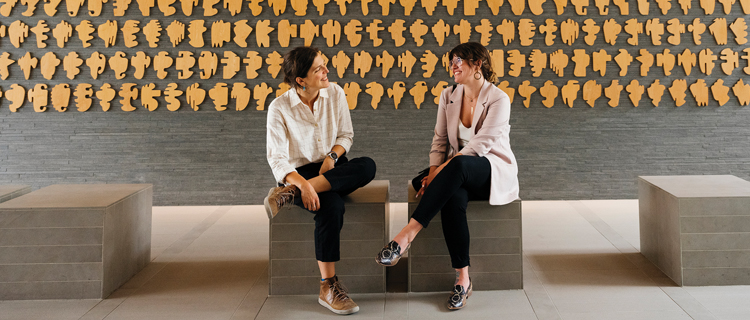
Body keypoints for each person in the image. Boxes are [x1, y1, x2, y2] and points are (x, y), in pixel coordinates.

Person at [375, 42, 519, 310]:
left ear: (477, 64)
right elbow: (440, 140)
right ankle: (463, 279)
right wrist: (433, 174)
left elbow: (481, 145)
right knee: (452, 199)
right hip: (457, 174)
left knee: (459, 166)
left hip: (488, 170)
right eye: (451, 60)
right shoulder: (449, 95)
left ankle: (406, 235)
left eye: (459, 59)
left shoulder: (499, 98)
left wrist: (442, 170)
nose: (453, 65)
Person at [265, 46, 376, 315]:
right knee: (332, 207)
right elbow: (277, 159)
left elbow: (345, 136)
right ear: (300, 80)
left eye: (324, 65)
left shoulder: (335, 93)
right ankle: (328, 286)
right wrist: (302, 183)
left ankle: (287, 194)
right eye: (319, 69)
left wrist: (332, 157)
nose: (327, 71)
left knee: (367, 166)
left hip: (332, 168)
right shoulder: (279, 108)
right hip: (298, 174)